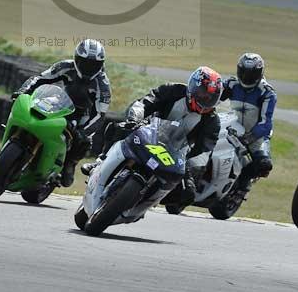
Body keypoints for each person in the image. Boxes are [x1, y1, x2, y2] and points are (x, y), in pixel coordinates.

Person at [83, 66, 223, 209]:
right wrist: (135, 117)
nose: (206, 100)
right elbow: (147, 100)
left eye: (211, 98)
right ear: (193, 88)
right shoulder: (174, 90)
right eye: (203, 94)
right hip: (148, 132)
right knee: (117, 127)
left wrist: (191, 172)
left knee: (188, 193)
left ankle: (147, 202)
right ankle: (100, 161)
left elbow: (204, 151)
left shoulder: (212, 121)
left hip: (177, 155)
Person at [13, 38, 111, 187]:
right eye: (85, 62)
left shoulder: (103, 84)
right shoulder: (65, 66)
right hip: (60, 102)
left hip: (82, 115)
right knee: (33, 112)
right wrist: (22, 91)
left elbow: (99, 115)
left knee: (84, 141)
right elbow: (40, 79)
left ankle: (69, 164)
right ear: (77, 58)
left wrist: (83, 131)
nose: (89, 67)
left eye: (94, 64)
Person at [220, 52, 276, 191]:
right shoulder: (232, 84)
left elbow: (266, 123)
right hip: (230, 128)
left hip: (255, 137)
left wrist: (249, 138)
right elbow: (214, 96)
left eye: (251, 75)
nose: (246, 78)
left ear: (259, 74)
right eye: (243, 73)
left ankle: (242, 185)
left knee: (265, 165)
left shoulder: (267, 93)